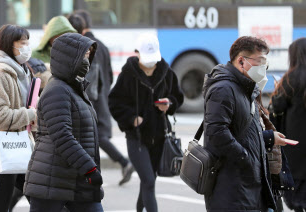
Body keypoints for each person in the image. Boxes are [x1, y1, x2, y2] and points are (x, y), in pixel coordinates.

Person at [202, 36, 288, 212]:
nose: (263, 69)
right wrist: (245, 158)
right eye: (260, 62)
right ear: (241, 61)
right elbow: (216, 132)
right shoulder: (223, 89)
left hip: (246, 186)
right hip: (231, 188)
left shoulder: (245, 88)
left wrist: (269, 137)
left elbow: (243, 132)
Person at [23, 33, 104, 212]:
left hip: (76, 181)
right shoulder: (57, 91)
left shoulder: (74, 89)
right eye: (84, 56)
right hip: (51, 182)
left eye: (88, 56)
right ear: (69, 58)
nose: (87, 61)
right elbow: (62, 136)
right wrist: (89, 169)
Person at [109, 33, 184, 212]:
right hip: (136, 137)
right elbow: (114, 102)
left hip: (159, 136)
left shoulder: (166, 71)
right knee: (148, 180)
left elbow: (178, 97)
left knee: (148, 182)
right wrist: (132, 118)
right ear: (137, 53)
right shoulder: (128, 72)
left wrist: (169, 104)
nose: (151, 63)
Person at [0, 24, 36, 212]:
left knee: (42, 198)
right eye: (22, 43)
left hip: (21, 149)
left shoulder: (24, 74)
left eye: (28, 42)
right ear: (9, 45)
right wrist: (29, 114)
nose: (27, 47)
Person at [74, 9, 134, 185]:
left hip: (92, 99)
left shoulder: (85, 46)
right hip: (103, 97)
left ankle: (121, 163)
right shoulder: (103, 46)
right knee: (97, 137)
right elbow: (109, 74)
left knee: (95, 137)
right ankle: (122, 163)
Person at [271, 37, 306, 212]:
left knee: (297, 199)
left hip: (295, 148)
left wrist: (278, 90)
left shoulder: (290, 79)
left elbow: (276, 109)